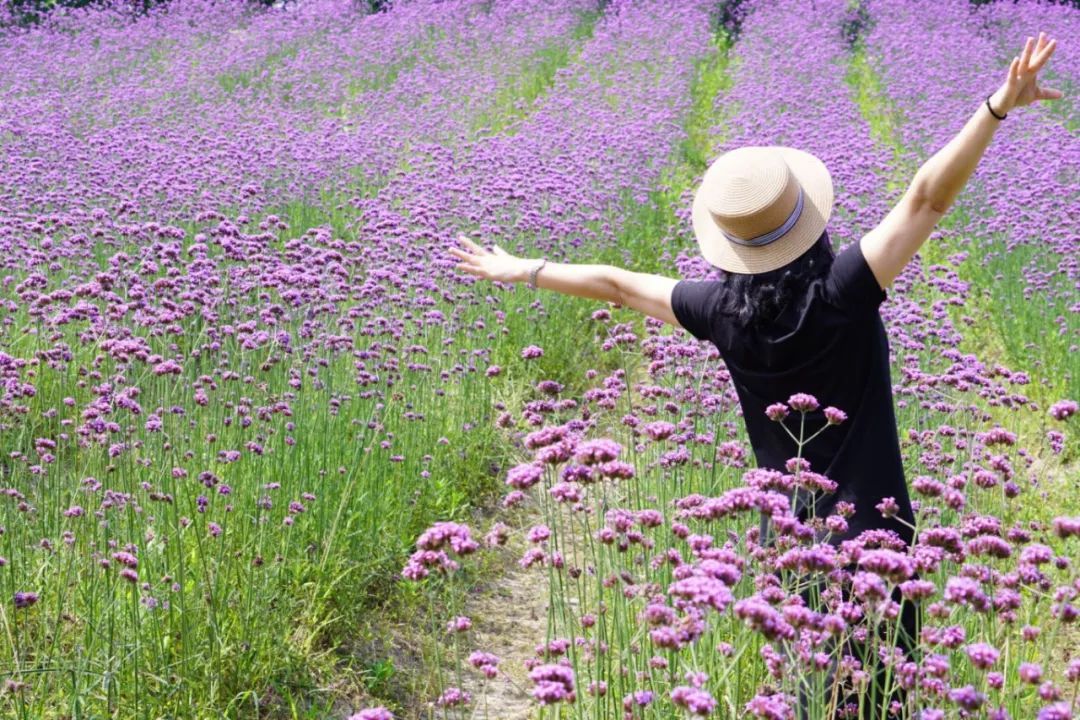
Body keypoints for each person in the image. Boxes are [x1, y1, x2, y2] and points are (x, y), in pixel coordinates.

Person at [450, 32, 1061, 719]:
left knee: (812, 692)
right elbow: (925, 199)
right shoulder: (841, 296)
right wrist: (997, 107)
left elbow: (617, 286)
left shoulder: (719, 311)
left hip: (791, 540)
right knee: (880, 694)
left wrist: (520, 268)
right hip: (876, 537)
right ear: (806, 219)